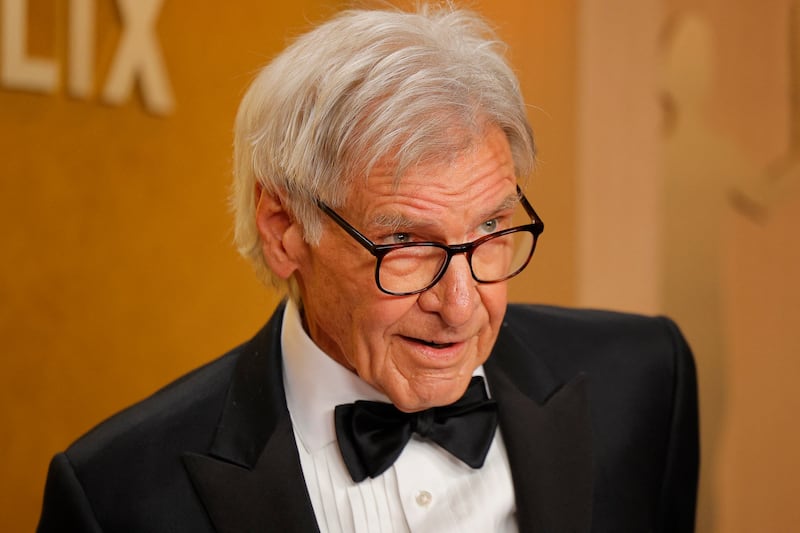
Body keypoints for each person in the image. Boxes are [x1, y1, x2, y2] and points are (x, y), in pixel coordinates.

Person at [37, 4, 698, 532]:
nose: (462, 305)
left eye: (492, 229)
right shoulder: (117, 497)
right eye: (407, 241)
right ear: (286, 231)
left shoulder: (643, 383)